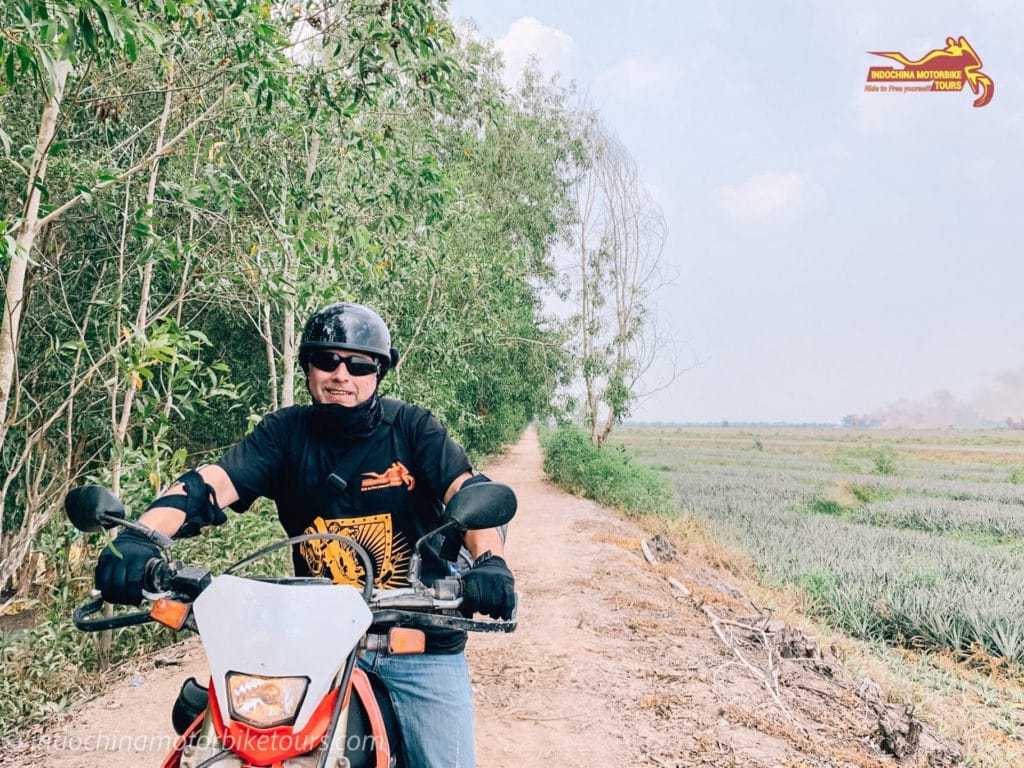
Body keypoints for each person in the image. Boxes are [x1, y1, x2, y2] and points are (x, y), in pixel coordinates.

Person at [94, 301, 516, 768]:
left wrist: (491, 564)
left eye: (358, 363)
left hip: (417, 639)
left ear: (379, 372)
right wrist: (139, 538)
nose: (342, 374)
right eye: (327, 360)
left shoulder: (414, 429)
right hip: (316, 641)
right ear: (308, 366)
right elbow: (209, 484)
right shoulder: (284, 435)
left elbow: (467, 491)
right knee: (220, 746)